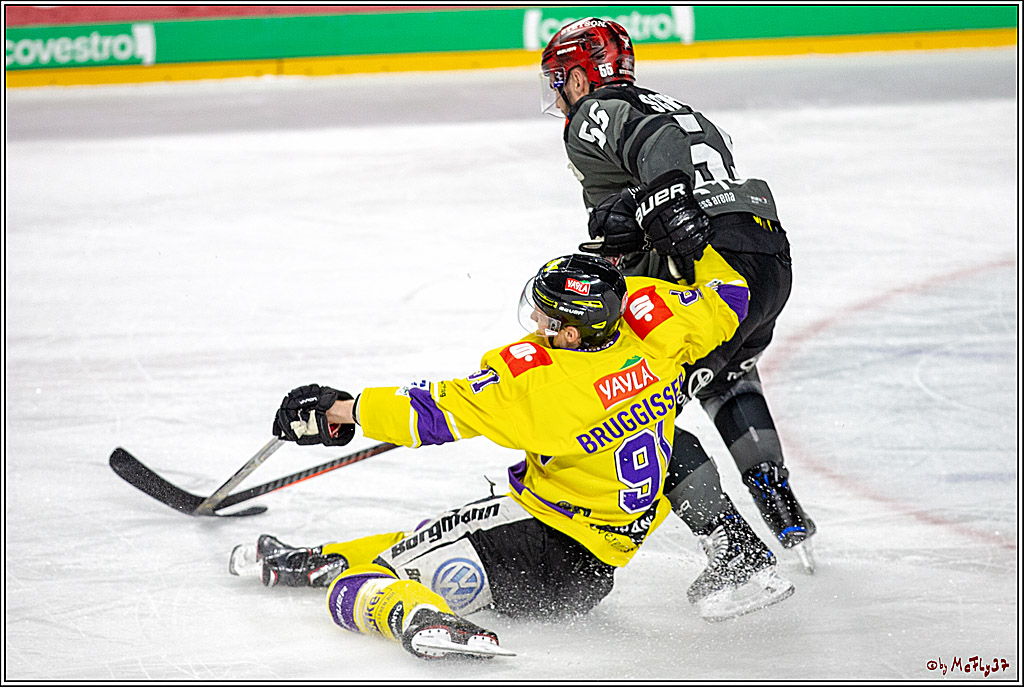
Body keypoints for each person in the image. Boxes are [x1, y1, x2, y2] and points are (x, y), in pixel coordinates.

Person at [229, 251, 794, 660]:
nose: (538, 326)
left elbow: (433, 411)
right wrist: (698, 240)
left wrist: (343, 410)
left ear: (572, 335)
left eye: (548, 320)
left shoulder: (540, 387)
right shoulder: (661, 329)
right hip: (592, 567)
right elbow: (733, 296)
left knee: (366, 587)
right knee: (435, 532)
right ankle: (314, 558)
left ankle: (418, 620)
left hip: (539, 550)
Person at [539, 17, 816, 571]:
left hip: (712, 266)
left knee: (631, 413)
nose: (560, 93)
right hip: (766, 259)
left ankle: (734, 552)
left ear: (582, 74)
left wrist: (662, 199)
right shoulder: (668, 103)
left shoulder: (594, 113)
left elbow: (659, 154)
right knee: (731, 374)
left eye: (561, 78)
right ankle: (779, 503)